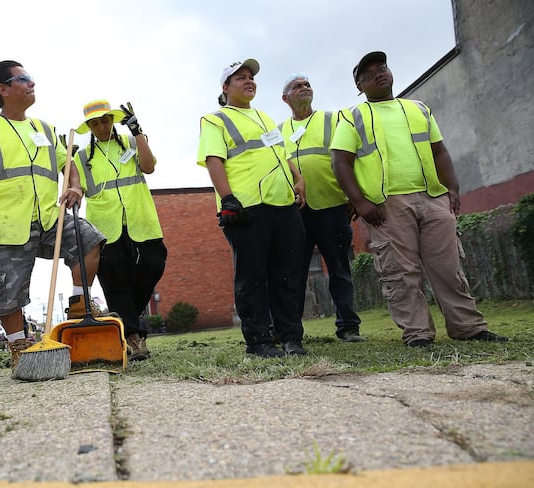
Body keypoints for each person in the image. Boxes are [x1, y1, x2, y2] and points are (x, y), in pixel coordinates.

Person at [331, 51, 509, 347]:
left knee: (449, 267)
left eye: (383, 67)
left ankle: (468, 327)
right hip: (387, 206)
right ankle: (418, 333)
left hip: (432, 198)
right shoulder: (352, 116)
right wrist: (361, 203)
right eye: (370, 73)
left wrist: (452, 188)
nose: (379, 73)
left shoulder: (418, 109)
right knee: (401, 273)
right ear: (360, 86)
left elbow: (439, 150)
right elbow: (340, 162)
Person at [0, 60, 106, 367]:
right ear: (3, 89)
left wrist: (75, 186)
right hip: (4, 225)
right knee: (7, 291)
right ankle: (19, 345)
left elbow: (68, 164)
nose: (31, 83)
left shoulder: (45, 129)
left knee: (89, 240)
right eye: (23, 79)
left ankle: (79, 304)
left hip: (50, 218)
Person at [197, 58, 308, 358]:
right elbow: (213, 158)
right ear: (225, 87)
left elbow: (280, 153)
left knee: (287, 275)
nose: (249, 81)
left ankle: (291, 338)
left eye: (251, 77)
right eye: (240, 78)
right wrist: (227, 198)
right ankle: (258, 341)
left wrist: (298, 179)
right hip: (247, 208)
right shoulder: (215, 120)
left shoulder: (266, 118)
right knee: (252, 277)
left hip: (282, 203)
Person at [74, 99, 167, 360]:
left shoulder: (130, 142)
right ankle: (134, 339)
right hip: (105, 226)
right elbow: (76, 189)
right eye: (95, 123)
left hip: (141, 219)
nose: (101, 127)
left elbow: (149, 167)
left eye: (105, 120)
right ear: (89, 126)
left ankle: (125, 317)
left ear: (113, 120)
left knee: (154, 264)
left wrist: (138, 133)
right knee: (116, 281)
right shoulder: (81, 157)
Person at [280, 74, 366, 343]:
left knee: (340, 270)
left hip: (332, 207)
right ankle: (291, 331)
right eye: (297, 86)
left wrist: (355, 195)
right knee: (293, 274)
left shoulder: (334, 120)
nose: (304, 88)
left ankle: (348, 327)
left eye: (307, 84)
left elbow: (352, 159)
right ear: (285, 98)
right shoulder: (278, 130)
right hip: (295, 213)